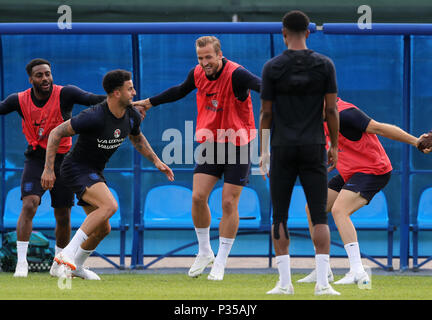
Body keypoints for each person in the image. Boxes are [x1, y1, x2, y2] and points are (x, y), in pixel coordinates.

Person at [133, 35, 261, 281]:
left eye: (209, 57)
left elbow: (263, 86)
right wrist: (149, 102)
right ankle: (204, 251)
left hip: (238, 145)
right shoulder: (198, 73)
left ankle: (221, 262)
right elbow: (179, 91)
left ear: (219, 55)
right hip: (210, 143)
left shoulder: (237, 75)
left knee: (228, 204)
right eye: (200, 58)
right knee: (198, 196)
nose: (205, 62)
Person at [41, 69, 174, 278]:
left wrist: (157, 160)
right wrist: (48, 169)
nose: (134, 92)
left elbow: (137, 138)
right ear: (116, 93)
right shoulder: (93, 116)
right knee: (110, 205)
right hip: (75, 168)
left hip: (94, 171)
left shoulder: (131, 115)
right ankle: (67, 252)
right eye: (129, 89)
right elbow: (56, 133)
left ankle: (76, 267)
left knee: (103, 229)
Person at [0, 58, 107, 278]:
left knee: (63, 214)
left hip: (64, 160)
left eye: (48, 73)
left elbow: (91, 99)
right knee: (30, 203)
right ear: (31, 79)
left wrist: (121, 101)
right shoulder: (19, 100)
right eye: (39, 75)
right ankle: (22, 263)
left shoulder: (65, 93)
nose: (45, 78)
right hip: (36, 158)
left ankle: (58, 264)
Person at [297, 97, 421, 285]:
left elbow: (380, 128)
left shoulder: (347, 114)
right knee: (312, 209)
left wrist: (416, 142)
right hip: (351, 171)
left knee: (340, 211)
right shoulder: (317, 117)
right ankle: (323, 269)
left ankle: (358, 271)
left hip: (373, 170)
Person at [259, 10, 340, 296]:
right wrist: (335, 145)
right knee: (319, 215)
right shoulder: (324, 65)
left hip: (281, 148)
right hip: (314, 145)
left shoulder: (272, 67)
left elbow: (266, 113)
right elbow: (331, 109)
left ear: (283, 33)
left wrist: (263, 150)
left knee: (278, 215)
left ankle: (284, 284)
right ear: (308, 32)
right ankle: (323, 284)